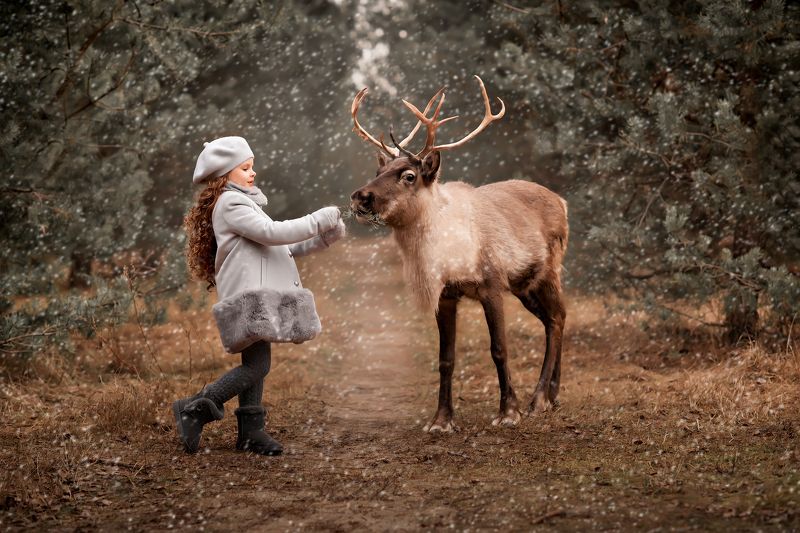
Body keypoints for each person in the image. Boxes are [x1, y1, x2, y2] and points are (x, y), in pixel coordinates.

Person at [173, 136, 344, 455]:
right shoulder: (230, 203)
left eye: (252, 166)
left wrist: (322, 238)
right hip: (249, 295)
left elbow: (279, 244)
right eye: (245, 167)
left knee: (256, 361)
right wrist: (316, 220)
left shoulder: (244, 203)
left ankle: (251, 432)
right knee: (257, 366)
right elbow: (273, 233)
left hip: (257, 295)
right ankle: (194, 409)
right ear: (225, 174)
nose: (253, 173)